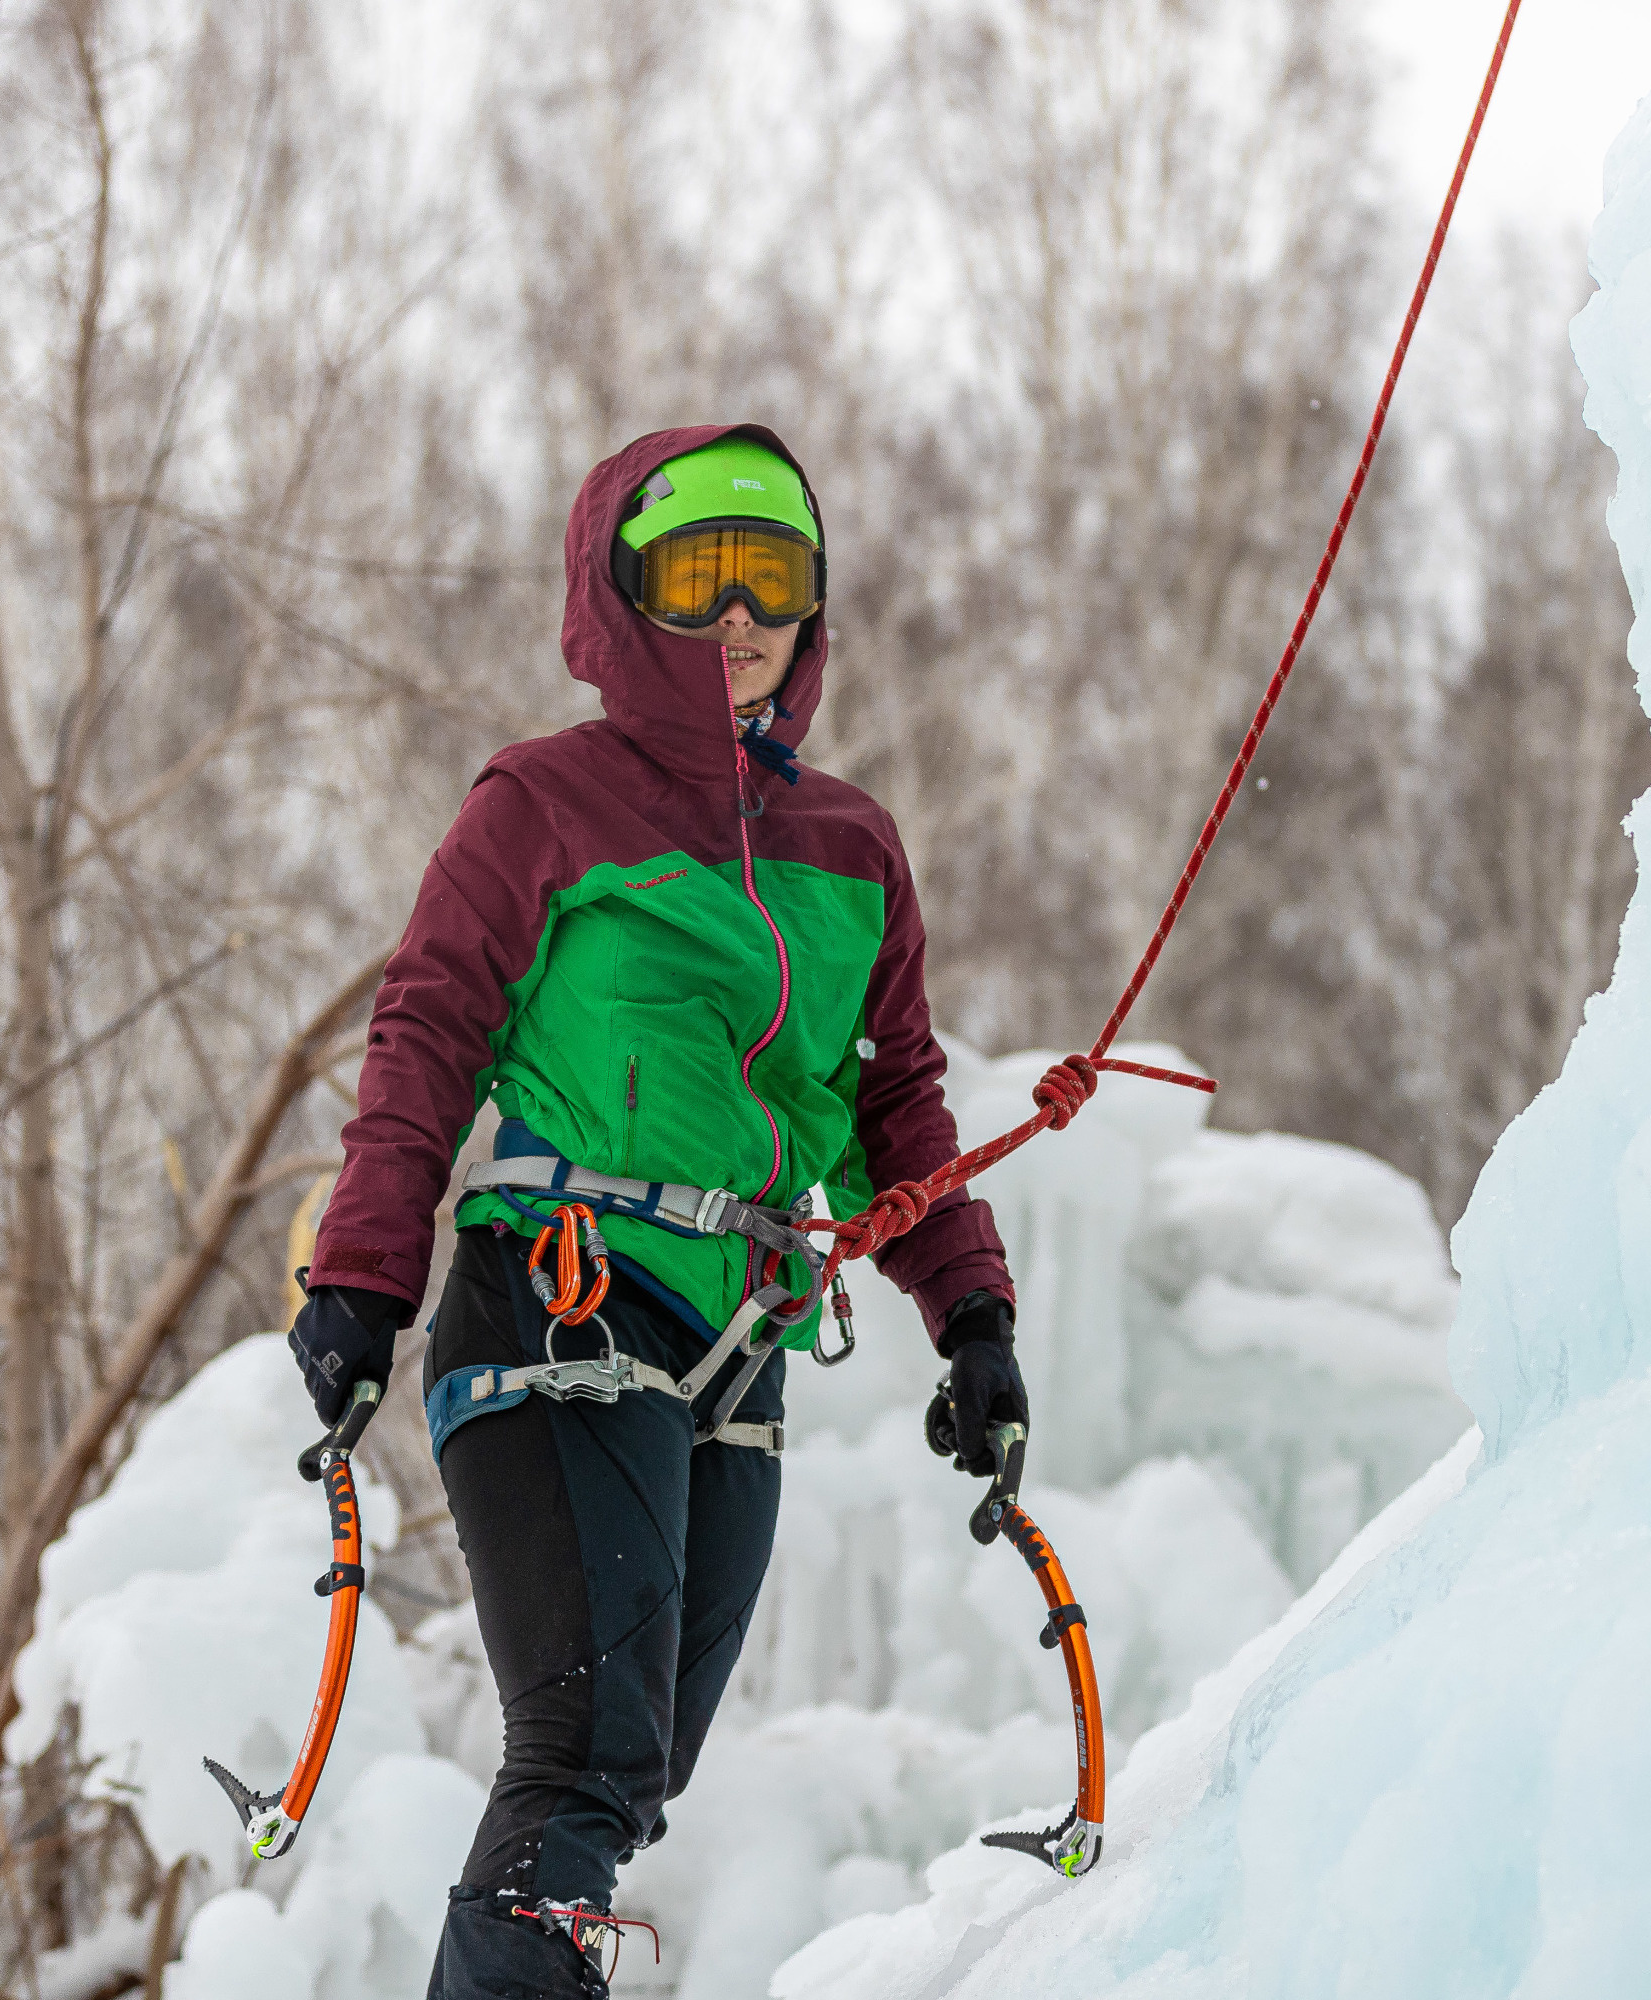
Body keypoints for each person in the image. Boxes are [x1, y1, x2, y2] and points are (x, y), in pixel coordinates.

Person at [285, 426, 1028, 1998]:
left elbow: (894, 1104)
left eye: (775, 579)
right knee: (583, 1747)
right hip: (559, 1290)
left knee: (634, 1771)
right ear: (623, 594)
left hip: (740, 1337)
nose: (740, 614)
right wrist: (364, 1275)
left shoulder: (853, 845)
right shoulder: (544, 802)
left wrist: (973, 1318)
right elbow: (428, 1026)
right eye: (699, 577)